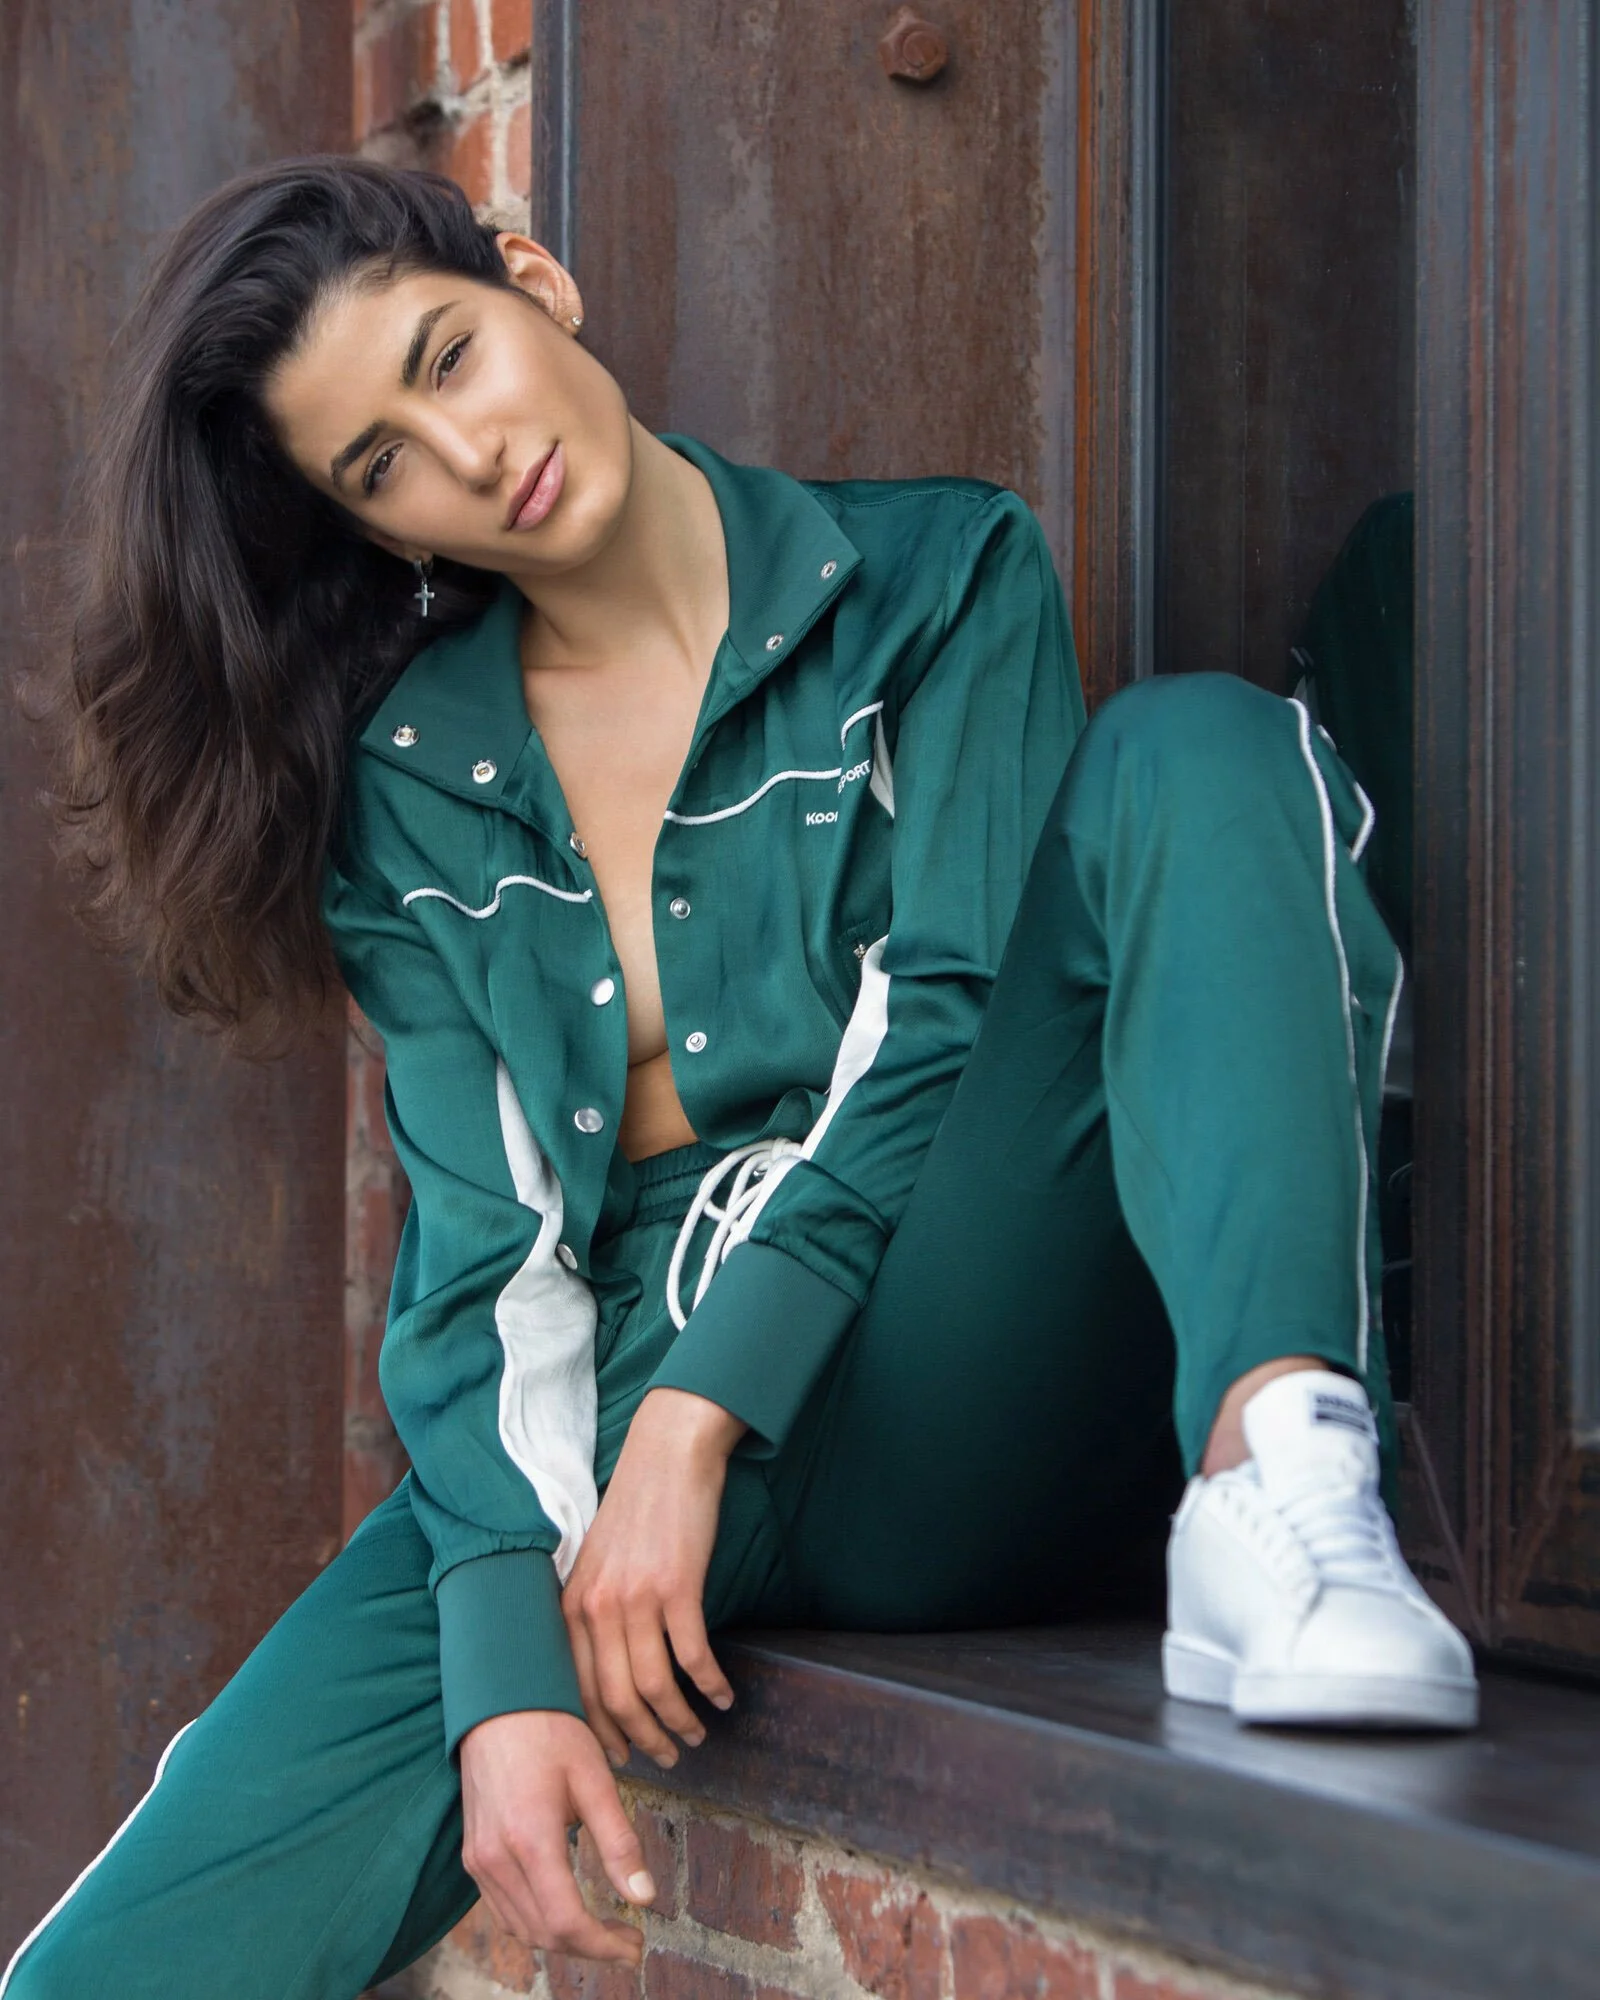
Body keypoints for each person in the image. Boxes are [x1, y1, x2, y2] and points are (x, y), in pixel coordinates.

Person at [5, 156, 1477, 1999]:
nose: (463, 457)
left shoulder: (936, 580)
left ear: (536, 280)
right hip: (587, 1459)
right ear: (374, 530)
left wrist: (702, 1419)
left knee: (1198, 749)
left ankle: (1285, 1473)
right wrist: (502, 1672)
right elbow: (483, 1252)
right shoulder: (406, 786)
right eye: (380, 464)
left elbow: (938, 1021)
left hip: (927, 1372)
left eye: (449, 357)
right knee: (112, 1968)